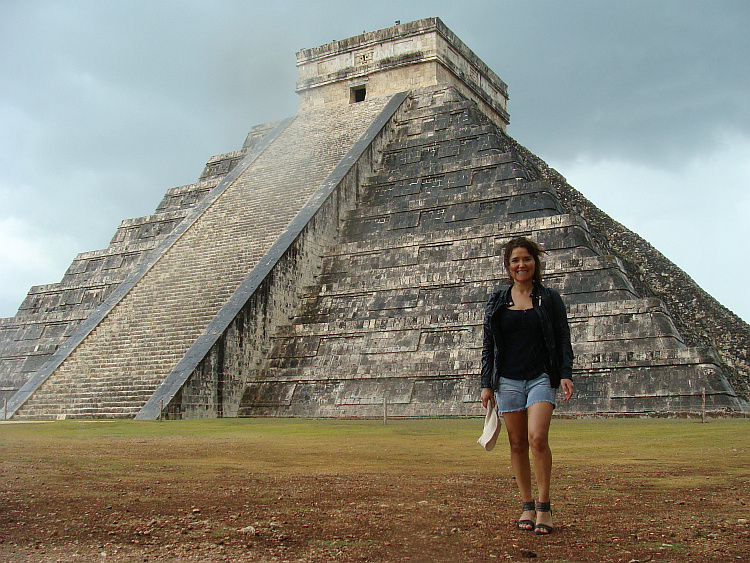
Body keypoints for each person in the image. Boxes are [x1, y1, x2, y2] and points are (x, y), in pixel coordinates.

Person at [480, 236, 574, 535]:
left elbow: (562, 339)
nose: (522, 265)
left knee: (537, 438)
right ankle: (527, 504)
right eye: (515, 260)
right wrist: (486, 384)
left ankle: (544, 506)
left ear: (536, 262)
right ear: (508, 267)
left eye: (527, 259)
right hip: (507, 380)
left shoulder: (549, 299)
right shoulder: (497, 300)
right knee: (517, 444)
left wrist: (565, 373)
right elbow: (488, 344)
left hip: (540, 378)